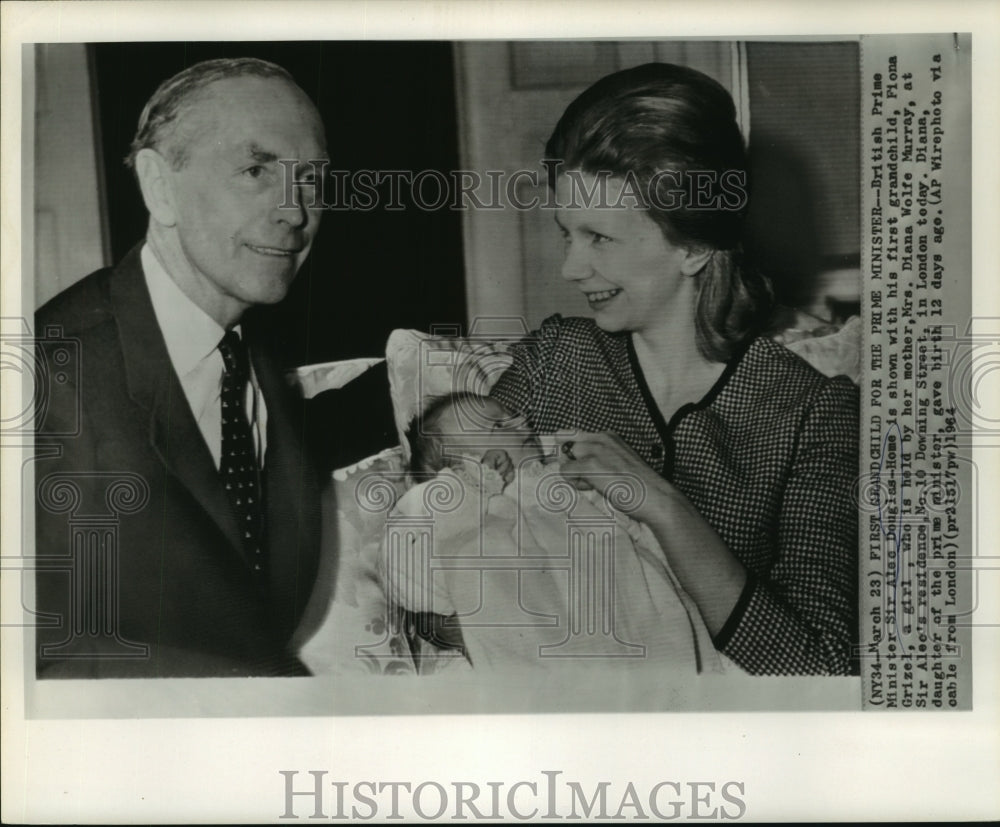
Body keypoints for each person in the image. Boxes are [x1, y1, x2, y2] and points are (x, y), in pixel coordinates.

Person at [489, 63, 859, 675]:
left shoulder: (811, 416)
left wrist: (661, 504)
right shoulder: (552, 362)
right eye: (566, 235)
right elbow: (440, 579)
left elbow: (818, 669)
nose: (570, 270)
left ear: (693, 246)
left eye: (599, 239)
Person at [33, 58, 328, 677]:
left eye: (311, 180)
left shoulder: (252, 356)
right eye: (255, 171)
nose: (295, 212)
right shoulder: (47, 379)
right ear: (159, 188)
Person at [385, 392, 719, 672]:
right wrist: (472, 486)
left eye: (514, 415)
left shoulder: (563, 475)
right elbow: (410, 578)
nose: (522, 422)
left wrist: (609, 499)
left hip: (626, 603)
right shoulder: (460, 510)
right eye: (499, 425)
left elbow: (640, 536)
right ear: (456, 468)